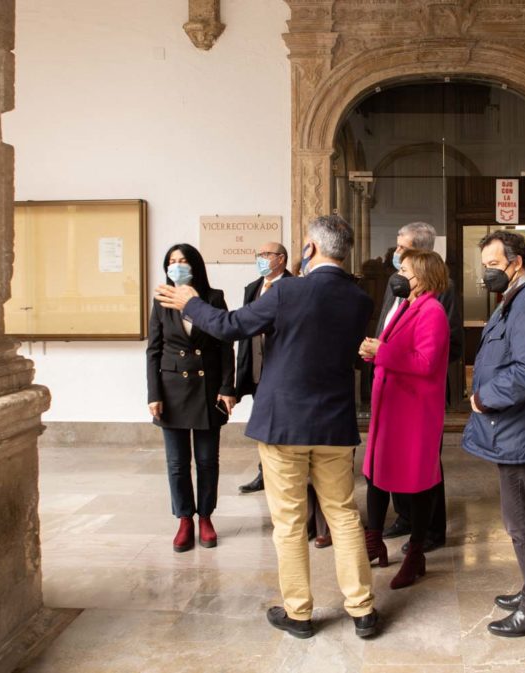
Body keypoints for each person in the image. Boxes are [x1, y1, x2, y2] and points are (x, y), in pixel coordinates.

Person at [154, 214, 379, 640]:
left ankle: (299, 613)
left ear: (309, 248)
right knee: (345, 516)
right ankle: (362, 609)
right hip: (333, 424)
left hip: (284, 424)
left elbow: (230, 325)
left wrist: (190, 303)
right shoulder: (359, 299)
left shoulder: (287, 291)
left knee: (290, 521)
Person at [463, 230, 525, 638]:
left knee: (522, 521)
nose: (487, 273)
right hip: (515, 428)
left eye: (492, 265)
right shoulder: (517, 298)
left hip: (518, 428)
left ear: (516, 262)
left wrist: (485, 398)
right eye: (484, 266)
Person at [359, 250, 450, 589]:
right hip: (391, 406)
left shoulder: (433, 311)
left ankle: (415, 554)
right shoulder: (409, 305)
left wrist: (380, 352)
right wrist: (374, 349)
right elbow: (394, 347)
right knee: (376, 474)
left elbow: (425, 362)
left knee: (418, 481)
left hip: (414, 412)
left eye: (407, 268)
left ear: (424, 275)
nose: (400, 272)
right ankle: (374, 541)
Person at [371, 222, 462, 553]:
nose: (396, 254)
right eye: (397, 247)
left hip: (419, 388)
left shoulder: (441, 290)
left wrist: (392, 354)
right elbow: (387, 323)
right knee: (395, 460)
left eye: (403, 249)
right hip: (393, 380)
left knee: (424, 464)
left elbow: (448, 341)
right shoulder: (398, 285)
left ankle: (432, 530)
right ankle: (406, 518)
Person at [146, 243, 237, 553]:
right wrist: (153, 394)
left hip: (207, 388)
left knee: (208, 460)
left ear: (195, 265)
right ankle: (185, 518)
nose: (177, 266)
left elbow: (226, 345)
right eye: (172, 261)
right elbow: (153, 350)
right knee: (177, 463)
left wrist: (228, 387)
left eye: (183, 260)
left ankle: (206, 517)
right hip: (171, 390)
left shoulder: (212, 298)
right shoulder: (161, 299)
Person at [235, 241, 292, 495]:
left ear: (281, 259)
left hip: (283, 370)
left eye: (266, 254)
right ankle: (264, 473)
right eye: (258, 253)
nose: (260, 258)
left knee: (282, 425)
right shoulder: (253, 288)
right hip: (259, 369)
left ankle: (284, 473)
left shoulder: (293, 286)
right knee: (262, 424)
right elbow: (245, 330)